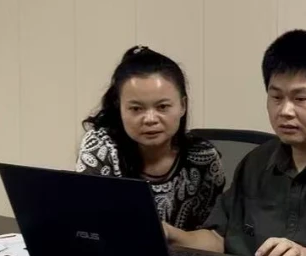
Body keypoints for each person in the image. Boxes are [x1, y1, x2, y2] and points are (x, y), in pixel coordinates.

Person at [166, 30, 306, 256]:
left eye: (300, 99)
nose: (285, 111)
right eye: (276, 97)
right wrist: (171, 235)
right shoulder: (256, 162)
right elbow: (219, 238)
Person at [77, 46, 226, 237]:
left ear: (182, 106)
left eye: (162, 107)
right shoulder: (101, 148)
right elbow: (88, 226)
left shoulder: (204, 158)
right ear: (119, 108)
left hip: (183, 254)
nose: (150, 119)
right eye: (136, 109)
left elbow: (212, 237)